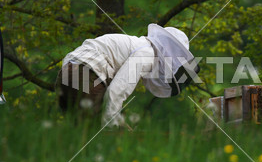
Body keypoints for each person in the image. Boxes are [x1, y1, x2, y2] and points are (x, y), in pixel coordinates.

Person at [56, 23, 199, 128]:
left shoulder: (137, 45)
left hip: (67, 74)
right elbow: (117, 91)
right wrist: (115, 126)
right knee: (97, 135)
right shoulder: (147, 54)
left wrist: (119, 122)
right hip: (86, 75)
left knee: (77, 134)